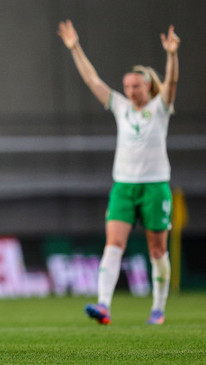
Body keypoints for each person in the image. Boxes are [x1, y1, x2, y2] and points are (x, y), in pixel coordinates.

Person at [57, 20, 180, 325]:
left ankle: (158, 308)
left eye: (135, 86)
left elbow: (172, 84)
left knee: (157, 249)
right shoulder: (121, 107)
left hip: (154, 186)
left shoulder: (160, 107)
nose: (130, 90)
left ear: (148, 86)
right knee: (113, 244)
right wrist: (75, 48)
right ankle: (103, 305)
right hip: (124, 186)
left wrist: (172, 55)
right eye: (126, 86)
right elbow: (92, 80)